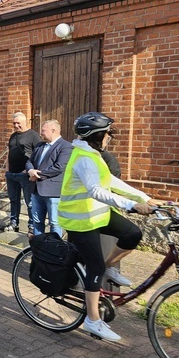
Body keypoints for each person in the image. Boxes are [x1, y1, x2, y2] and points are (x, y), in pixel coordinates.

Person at [58, 112, 156, 342]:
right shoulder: (83, 158)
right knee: (95, 267)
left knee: (132, 234)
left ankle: (108, 267)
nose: (109, 138)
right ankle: (92, 320)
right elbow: (97, 191)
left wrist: (143, 197)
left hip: (97, 215)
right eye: (108, 134)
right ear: (97, 135)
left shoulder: (94, 155)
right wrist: (132, 205)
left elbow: (111, 182)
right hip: (80, 220)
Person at [25, 120, 73, 238]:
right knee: (37, 222)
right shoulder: (40, 145)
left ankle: (55, 250)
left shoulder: (66, 146)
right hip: (36, 190)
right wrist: (30, 170)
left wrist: (37, 175)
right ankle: (38, 250)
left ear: (53, 131)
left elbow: (59, 167)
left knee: (54, 223)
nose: (41, 133)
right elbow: (29, 161)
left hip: (53, 192)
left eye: (43, 131)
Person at [1, 112, 41, 235]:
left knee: (29, 202)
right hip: (11, 174)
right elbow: (9, 152)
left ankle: (31, 225)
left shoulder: (33, 135)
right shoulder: (13, 136)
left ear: (26, 122)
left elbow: (38, 154)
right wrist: (7, 169)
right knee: (14, 200)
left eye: (18, 123)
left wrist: (29, 170)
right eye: (14, 123)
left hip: (25, 174)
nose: (16, 125)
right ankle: (14, 223)